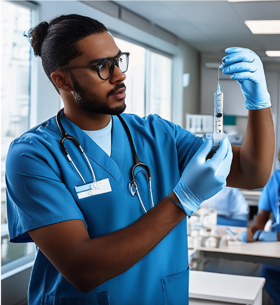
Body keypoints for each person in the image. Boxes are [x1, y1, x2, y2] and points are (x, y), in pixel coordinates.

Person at [6, 14, 275, 305]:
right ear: (62, 80)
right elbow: (83, 269)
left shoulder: (158, 135)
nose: (119, 75)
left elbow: (253, 173)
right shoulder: (32, 156)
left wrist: (259, 102)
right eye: (101, 67)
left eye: (118, 60)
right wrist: (181, 201)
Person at [241, 149, 280, 305]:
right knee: (267, 273)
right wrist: (253, 232)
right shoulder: (274, 182)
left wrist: (273, 236)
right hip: (277, 249)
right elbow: (260, 221)